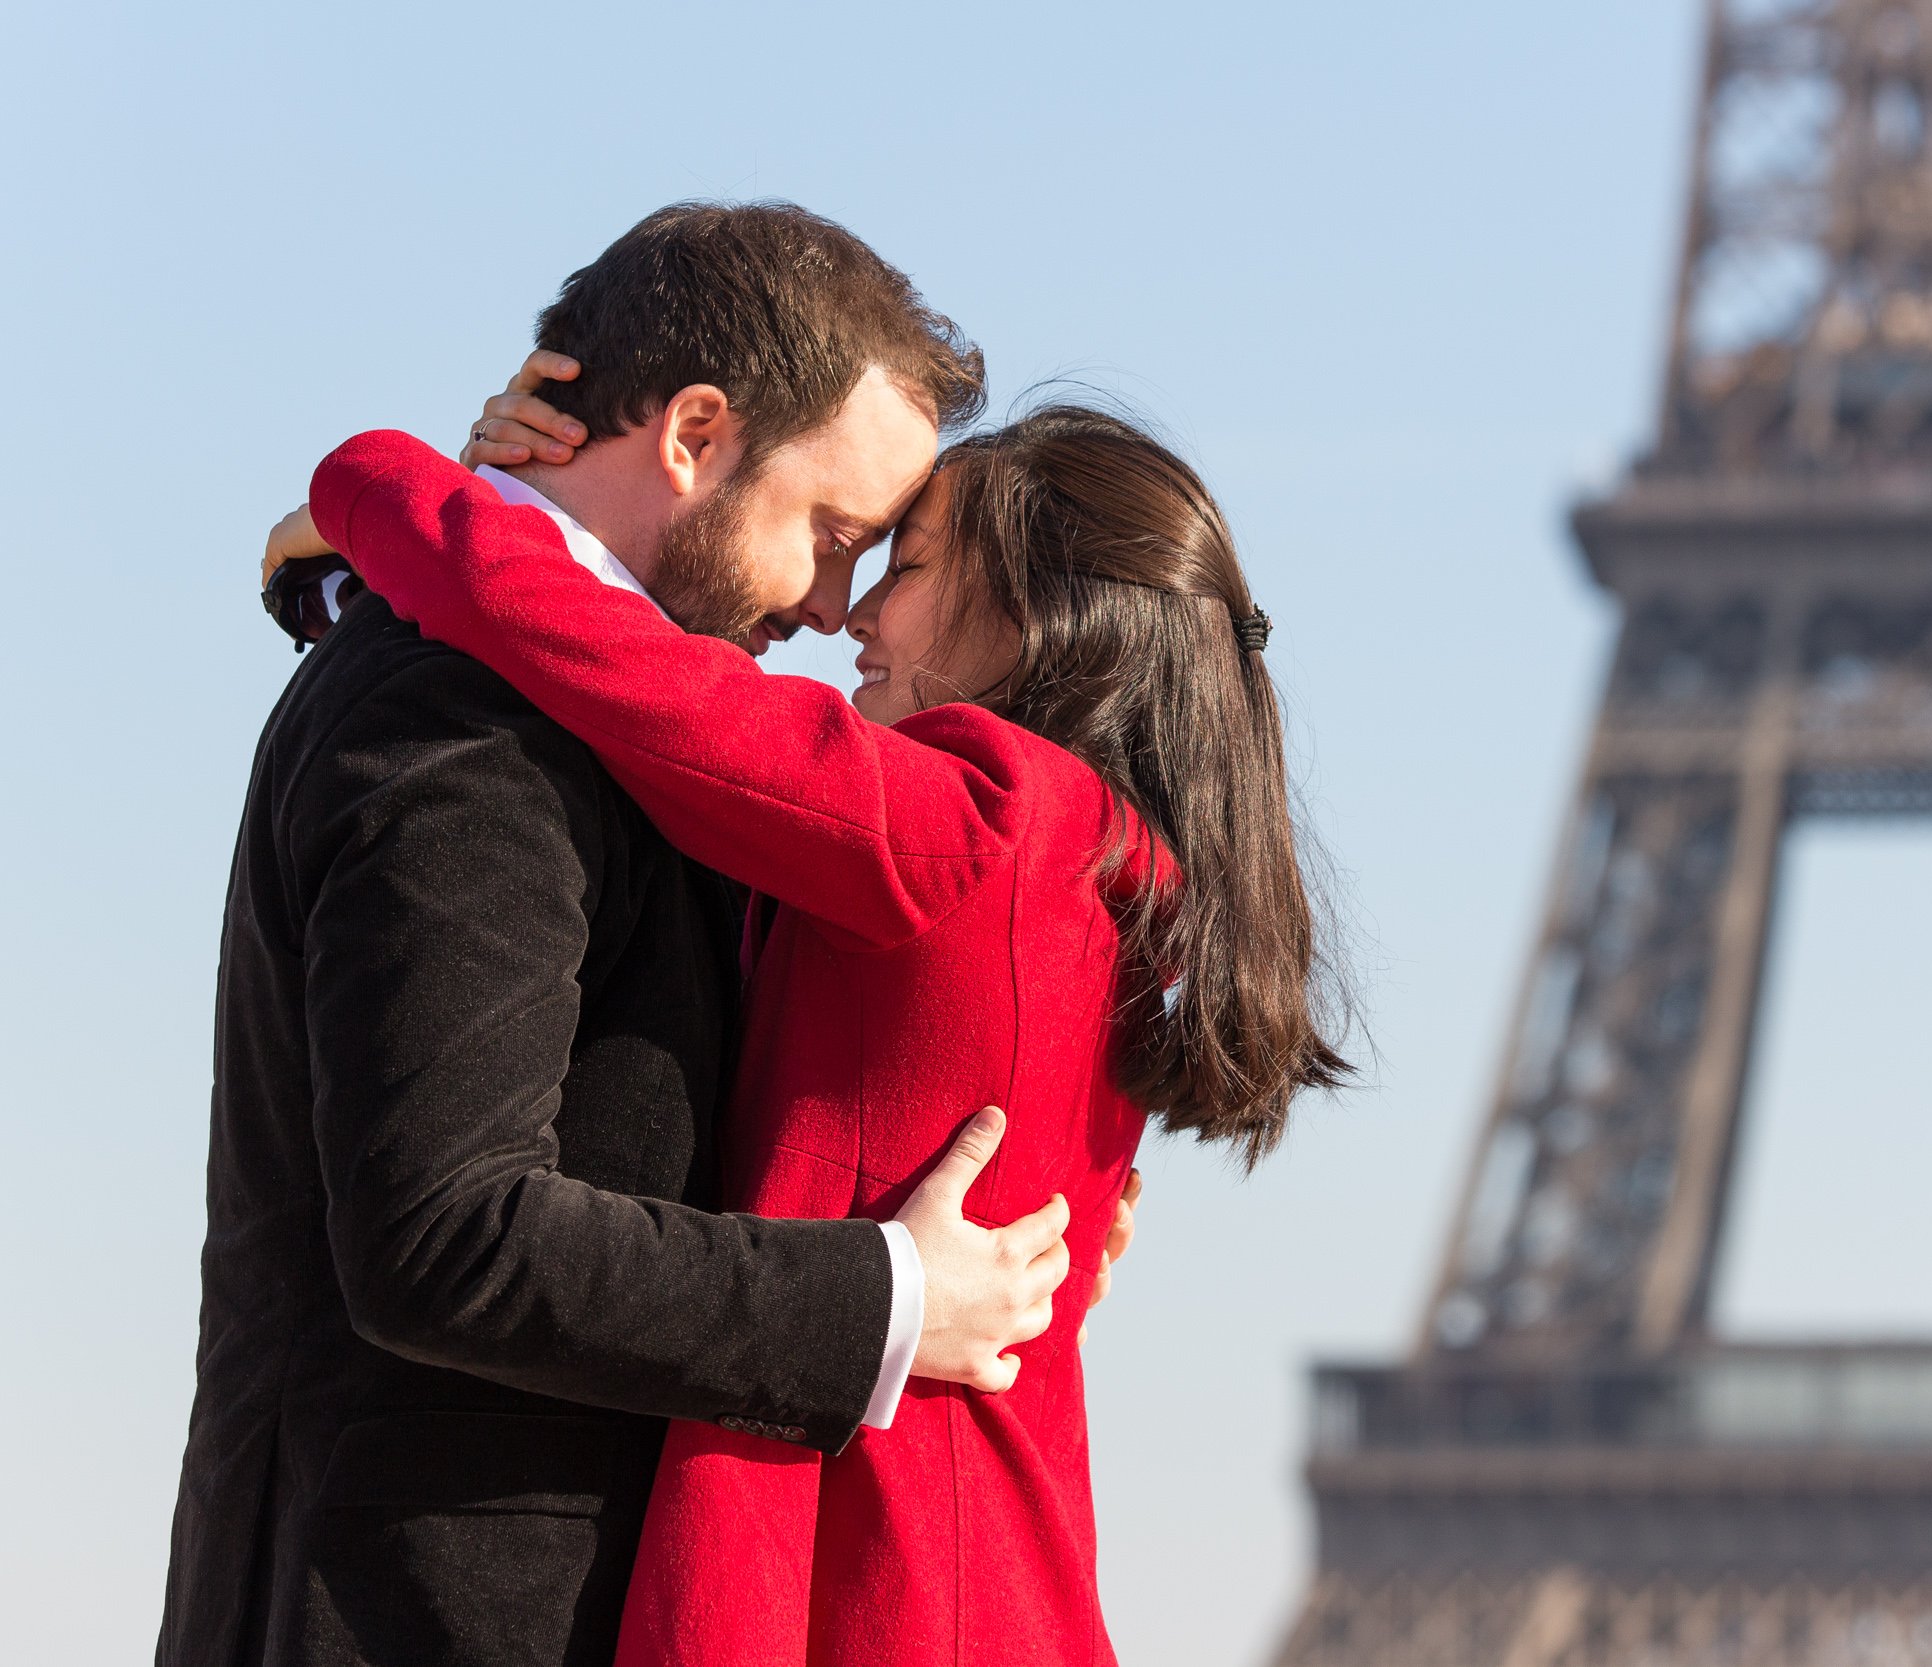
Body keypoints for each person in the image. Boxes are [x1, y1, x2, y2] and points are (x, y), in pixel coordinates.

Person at [264, 366, 1349, 1664]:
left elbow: (611, 670)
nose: (856, 614)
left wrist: (386, 481)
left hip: (885, 1585)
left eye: (906, 565)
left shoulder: (982, 823)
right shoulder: (1088, 877)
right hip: (944, 1571)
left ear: (1039, 618)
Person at [166, 202, 1116, 1667]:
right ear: (692, 434)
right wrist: (885, 1300)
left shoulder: (582, 713)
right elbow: (446, 1235)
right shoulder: (461, 717)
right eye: (829, 533)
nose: (828, 606)